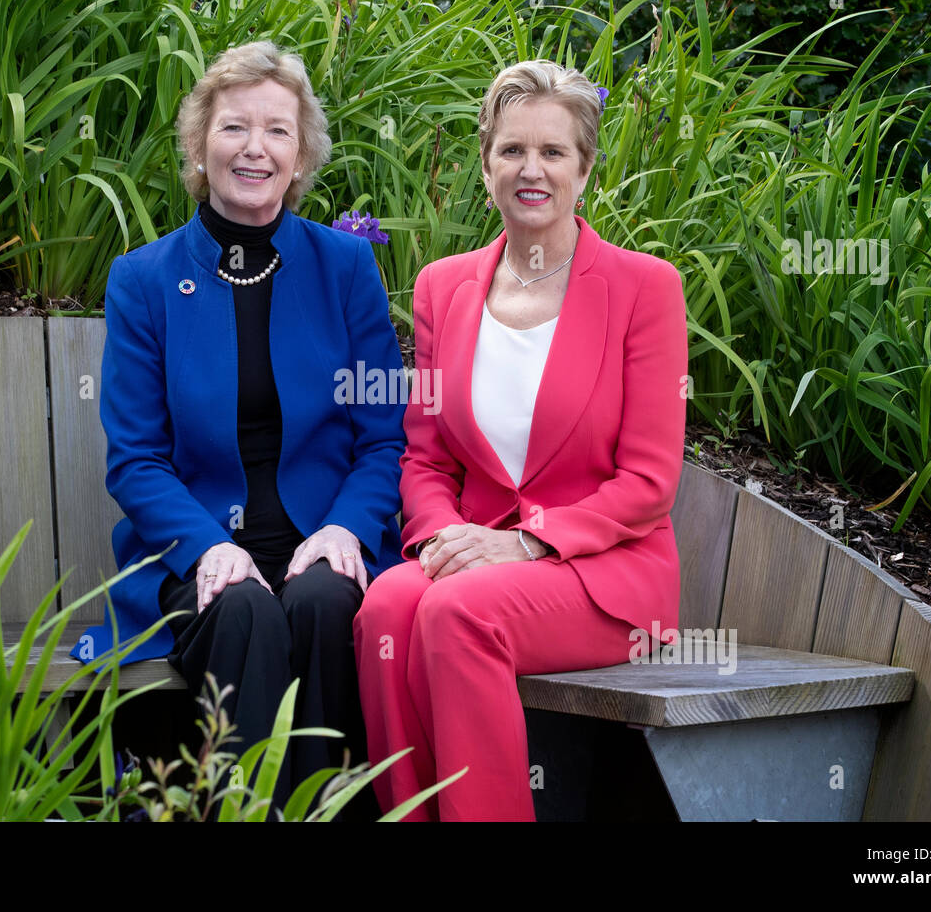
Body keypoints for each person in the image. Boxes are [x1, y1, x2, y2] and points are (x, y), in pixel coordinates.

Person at [70, 41, 406, 811]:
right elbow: (137, 459)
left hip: (320, 538)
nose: (255, 148)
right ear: (199, 146)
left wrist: (350, 528)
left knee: (322, 604)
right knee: (245, 607)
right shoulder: (145, 280)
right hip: (198, 553)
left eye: (278, 131)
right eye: (234, 128)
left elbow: (384, 435)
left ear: (301, 154)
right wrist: (210, 546)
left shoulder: (345, 268)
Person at [353, 60, 689, 821]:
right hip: (477, 557)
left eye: (552, 152)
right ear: (485, 164)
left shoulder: (645, 287)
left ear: (585, 168)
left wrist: (527, 543)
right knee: (386, 605)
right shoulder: (444, 286)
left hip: (605, 577)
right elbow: (427, 454)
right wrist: (445, 538)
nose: (530, 170)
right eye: (511, 150)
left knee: (456, 613)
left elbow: (648, 481)